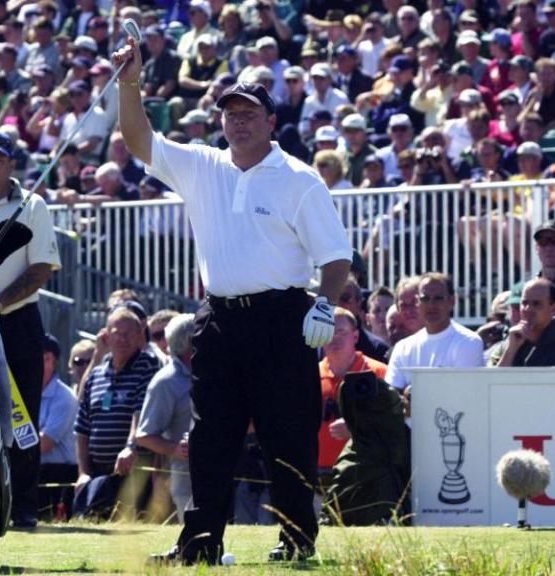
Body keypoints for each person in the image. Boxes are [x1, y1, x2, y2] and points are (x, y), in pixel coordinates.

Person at [112, 38, 352, 563]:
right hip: (219, 319)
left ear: (271, 121)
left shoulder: (299, 179)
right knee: (210, 437)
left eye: (249, 113)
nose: (238, 121)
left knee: (286, 436)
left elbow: (336, 257)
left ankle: (296, 542)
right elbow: (139, 139)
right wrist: (130, 84)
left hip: (282, 318)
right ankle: (199, 544)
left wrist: (323, 303)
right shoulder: (203, 164)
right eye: (230, 113)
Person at [0, 130, 61, 528]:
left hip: (17, 321)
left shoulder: (32, 205)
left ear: (12, 165)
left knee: (23, 410)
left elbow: (41, 267)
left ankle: (24, 503)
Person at [74, 307, 161, 516]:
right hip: (98, 475)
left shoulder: (148, 367)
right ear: (106, 336)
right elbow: (82, 428)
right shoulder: (95, 375)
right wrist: (83, 473)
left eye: (129, 333)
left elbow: (140, 412)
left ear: (140, 335)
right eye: (117, 333)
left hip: (135, 474)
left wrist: (131, 446)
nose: (123, 339)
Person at [135, 313, 195, 522]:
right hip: (187, 474)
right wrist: (175, 449)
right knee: (195, 541)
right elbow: (144, 435)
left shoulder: (211, 372)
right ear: (190, 342)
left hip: (224, 467)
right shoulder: (166, 382)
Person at [385, 273, 485, 392]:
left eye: (438, 298)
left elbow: (463, 394)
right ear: (418, 302)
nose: (431, 305)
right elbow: (391, 397)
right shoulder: (402, 347)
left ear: (452, 301)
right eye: (425, 299)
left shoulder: (469, 342)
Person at [317, 308, 388, 475]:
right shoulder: (310, 376)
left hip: (366, 475)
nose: (334, 337)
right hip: (318, 476)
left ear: (355, 336)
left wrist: (357, 428)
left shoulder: (379, 373)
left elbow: (393, 424)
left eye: (341, 331)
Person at [37, 333, 79, 521]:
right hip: (33, 470)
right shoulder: (23, 394)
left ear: (54, 363)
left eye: (45, 359)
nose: (39, 364)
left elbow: (46, 443)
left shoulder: (65, 397)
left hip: (58, 474)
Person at [496, 278, 555, 367]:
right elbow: (492, 380)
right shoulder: (508, 345)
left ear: (554, 309)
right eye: (524, 303)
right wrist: (510, 351)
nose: (528, 309)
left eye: (537, 304)